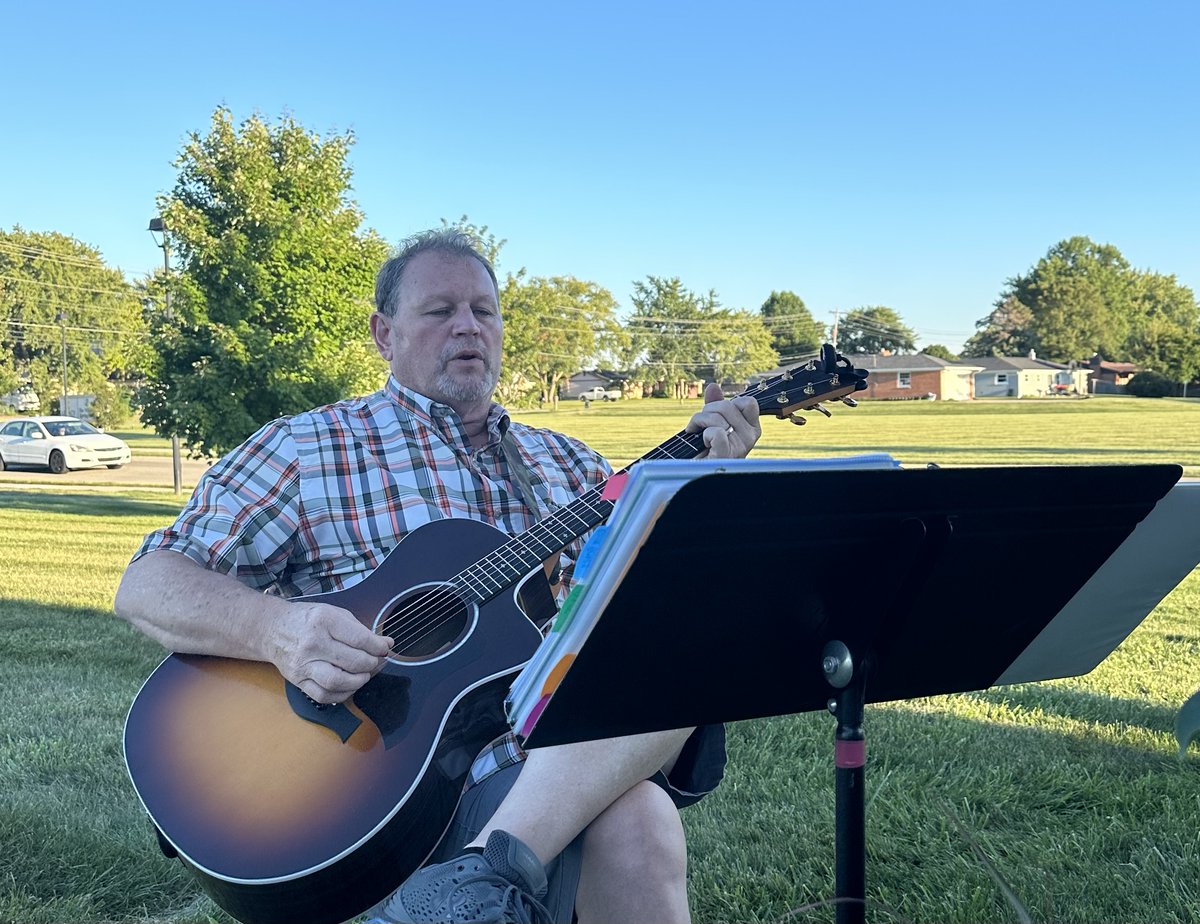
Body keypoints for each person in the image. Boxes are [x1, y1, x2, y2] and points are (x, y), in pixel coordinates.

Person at [114, 228, 762, 924]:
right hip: (369, 784)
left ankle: (473, 883)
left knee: (648, 782)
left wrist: (705, 482)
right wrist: (278, 629)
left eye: (484, 311)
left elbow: (648, 613)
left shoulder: (573, 468)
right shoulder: (309, 446)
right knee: (635, 811)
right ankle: (475, 885)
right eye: (440, 310)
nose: (467, 327)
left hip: (543, 763)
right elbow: (148, 584)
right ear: (383, 333)